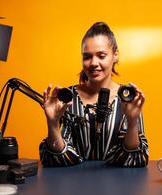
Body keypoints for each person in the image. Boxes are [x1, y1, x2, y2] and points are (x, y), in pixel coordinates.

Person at [39, 22, 148, 167]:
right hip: (74, 185)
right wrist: (52, 123)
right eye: (87, 57)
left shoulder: (128, 99)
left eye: (101, 56)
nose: (93, 63)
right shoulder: (67, 98)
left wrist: (133, 121)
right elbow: (56, 160)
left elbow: (135, 159)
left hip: (119, 187)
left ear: (115, 55)